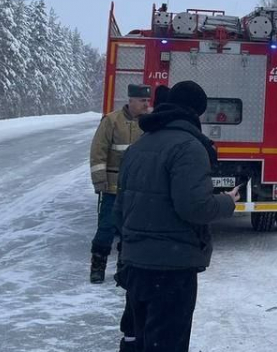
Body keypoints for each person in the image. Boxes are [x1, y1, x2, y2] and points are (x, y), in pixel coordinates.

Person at [113, 80, 238, 352]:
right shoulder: (189, 147)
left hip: (136, 266)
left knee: (139, 340)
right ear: (196, 112)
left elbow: (119, 208)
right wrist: (227, 202)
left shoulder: (139, 146)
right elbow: (194, 207)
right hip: (171, 270)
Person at [89, 84, 152, 284]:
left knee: (130, 231)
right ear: (131, 100)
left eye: (147, 101)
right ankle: (97, 267)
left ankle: (123, 270)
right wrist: (100, 181)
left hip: (138, 189)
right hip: (113, 189)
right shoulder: (111, 121)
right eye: (142, 101)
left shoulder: (150, 123)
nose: (146, 104)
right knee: (106, 229)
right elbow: (98, 151)